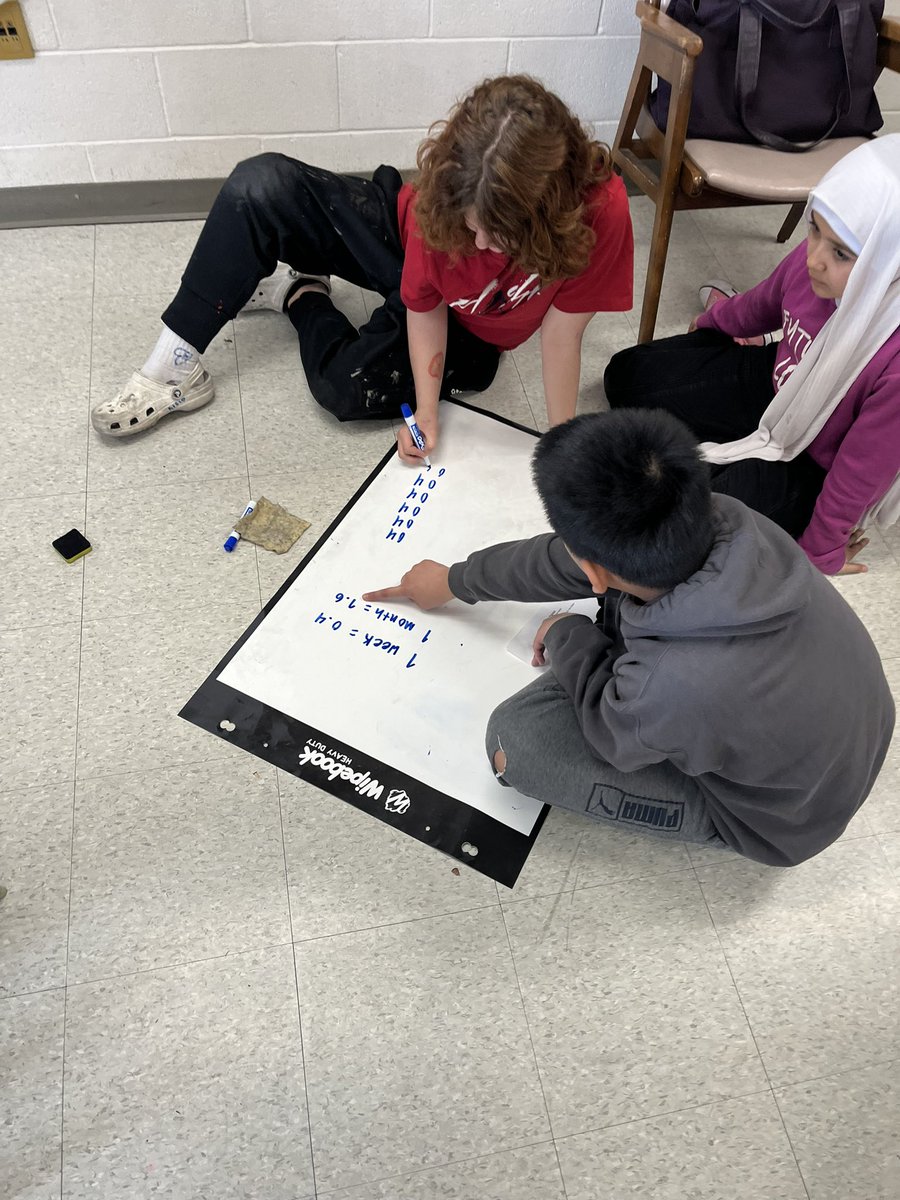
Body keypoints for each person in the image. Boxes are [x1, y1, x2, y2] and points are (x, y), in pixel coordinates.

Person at [363, 409, 894, 867]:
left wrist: (569, 635)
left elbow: (614, 733)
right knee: (621, 604)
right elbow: (564, 562)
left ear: (591, 570)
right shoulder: (732, 517)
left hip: (780, 823)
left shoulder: (664, 686)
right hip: (846, 737)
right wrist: (455, 580)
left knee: (513, 744)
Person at [91, 75, 633, 463]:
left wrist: (564, 453)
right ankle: (174, 364)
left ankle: (301, 294)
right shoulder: (442, 214)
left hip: (473, 329)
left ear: (551, 211)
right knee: (260, 185)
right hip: (405, 244)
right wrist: (426, 408)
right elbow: (425, 306)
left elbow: (562, 336)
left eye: (502, 232)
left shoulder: (599, 210)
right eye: (474, 224)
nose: (484, 241)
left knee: (344, 389)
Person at [603, 134, 900, 577]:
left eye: (841, 253)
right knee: (626, 374)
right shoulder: (815, 258)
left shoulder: (892, 358)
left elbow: (859, 472)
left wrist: (820, 552)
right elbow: (763, 302)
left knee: (691, 526)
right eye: (814, 228)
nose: (814, 258)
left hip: (811, 463)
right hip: (776, 385)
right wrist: (710, 326)